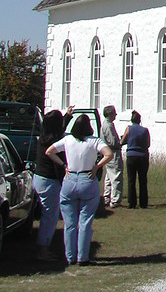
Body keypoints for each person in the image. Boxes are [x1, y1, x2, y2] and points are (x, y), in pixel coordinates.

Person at [45, 113, 112, 266]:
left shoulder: (68, 139)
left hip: (70, 179)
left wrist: (63, 166)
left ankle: (70, 257)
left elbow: (49, 151)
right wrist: (96, 166)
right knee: (85, 221)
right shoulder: (94, 141)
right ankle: (83, 257)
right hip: (87, 178)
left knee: (69, 223)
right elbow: (109, 154)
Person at [32, 105, 73, 262]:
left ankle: (44, 246)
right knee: (50, 216)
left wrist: (67, 117)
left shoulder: (44, 136)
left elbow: (59, 129)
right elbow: (58, 162)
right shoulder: (53, 141)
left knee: (47, 214)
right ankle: (43, 249)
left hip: (39, 178)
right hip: (49, 180)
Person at [120, 110, 150, 209]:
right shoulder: (145, 130)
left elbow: (123, 140)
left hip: (131, 155)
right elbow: (148, 144)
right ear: (139, 120)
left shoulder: (129, 129)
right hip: (143, 156)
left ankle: (132, 202)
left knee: (131, 180)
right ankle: (143, 203)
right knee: (143, 180)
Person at [100, 104, 124, 208]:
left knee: (109, 177)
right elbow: (112, 141)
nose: (116, 115)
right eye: (114, 113)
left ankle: (106, 197)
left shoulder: (105, 124)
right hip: (113, 152)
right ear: (109, 114)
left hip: (108, 152)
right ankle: (115, 200)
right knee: (116, 175)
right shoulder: (108, 125)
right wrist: (120, 142)